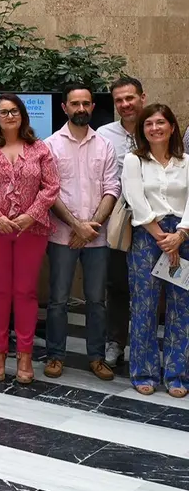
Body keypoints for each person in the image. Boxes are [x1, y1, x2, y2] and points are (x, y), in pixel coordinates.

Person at [0, 94, 60, 384]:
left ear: (23, 115)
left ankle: (25, 355)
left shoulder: (39, 148)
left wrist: (30, 215)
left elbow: (52, 186)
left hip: (31, 230)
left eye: (14, 111)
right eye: (4, 111)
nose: (9, 116)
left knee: (26, 292)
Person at [45, 84, 120, 381]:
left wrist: (90, 227)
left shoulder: (104, 145)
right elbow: (49, 192)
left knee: (96, 300)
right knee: (58, 300)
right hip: (62, 236)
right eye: (74, 104)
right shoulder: (50, 145)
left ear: (92, 107)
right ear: (64, 107)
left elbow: (112, 188)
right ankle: (55, 355)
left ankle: (97, 357)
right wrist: (76, 226)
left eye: (86, 104)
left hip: (97, 238)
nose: (81, 109)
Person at [124, 104, 189, 398]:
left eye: (161, 122)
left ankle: (176, 374)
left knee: (181, 307)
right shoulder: (133, 161)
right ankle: (144, 371)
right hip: (147, 235)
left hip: (184, 235)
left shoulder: (186, 161)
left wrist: (180, 235)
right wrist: (163, 237)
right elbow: (135, 199)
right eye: (148, 123)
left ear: (172, 127)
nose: (154, 128)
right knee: (144, 305)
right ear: (143, 130)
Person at [96, 76, 146, 367]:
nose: (125, 104)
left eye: (130, 98)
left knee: (151, 285)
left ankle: (145, 343)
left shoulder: (156, 125)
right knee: (116, 283)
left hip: (156, 221)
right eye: (119, 100)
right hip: (119, 220)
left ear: (142, 96)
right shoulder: (104, 134)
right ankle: (116, 341)